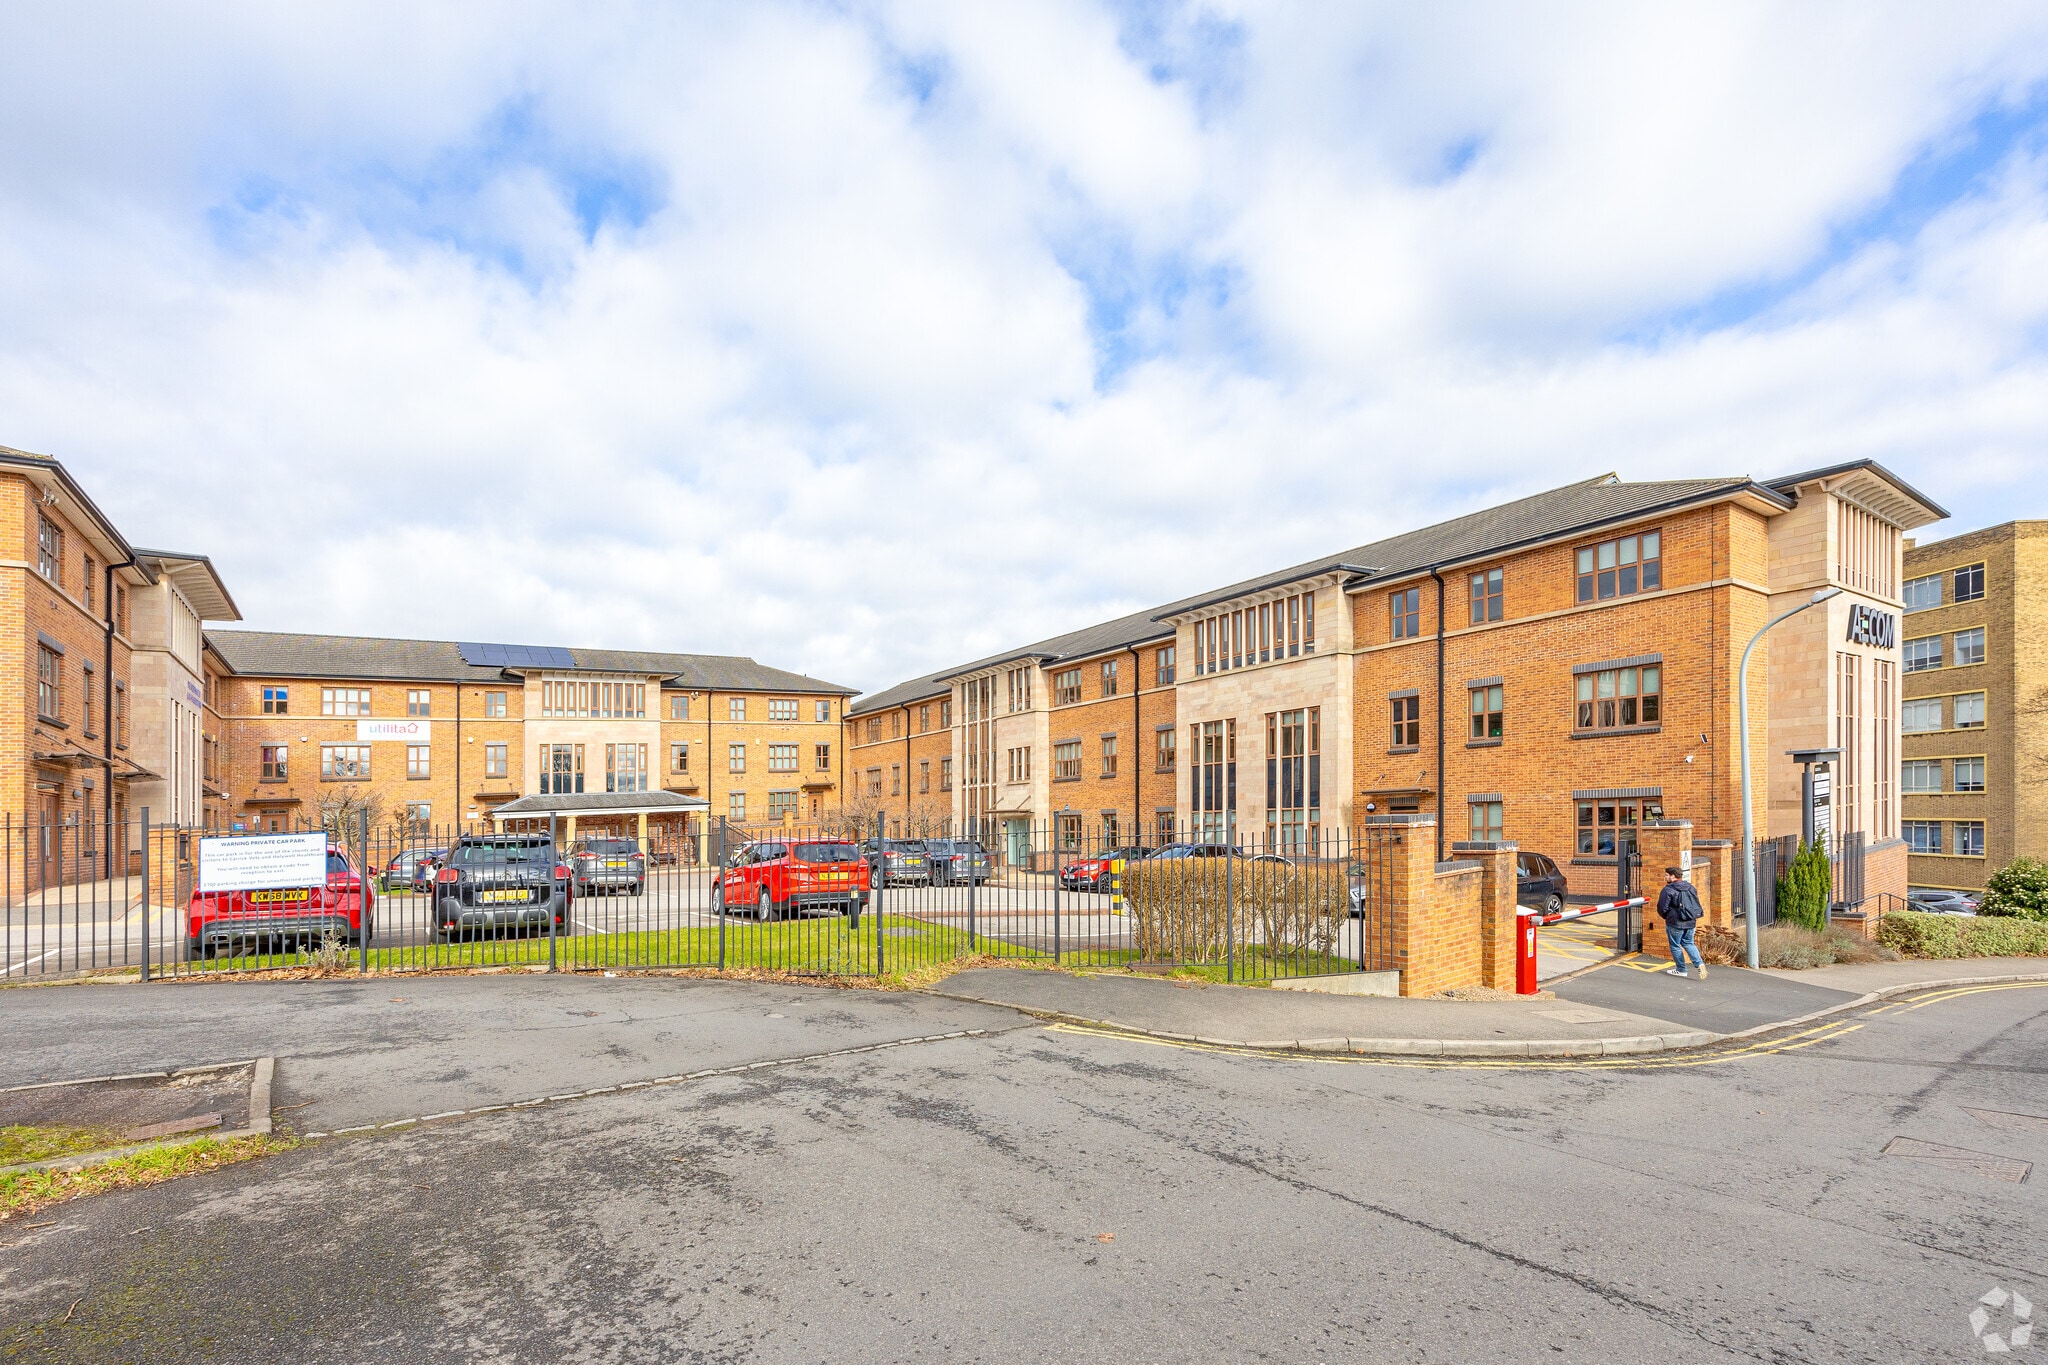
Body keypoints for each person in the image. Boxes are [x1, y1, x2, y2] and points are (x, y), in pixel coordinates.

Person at [1656, 865, 1706, 978]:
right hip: (1690, 921)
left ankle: (1681, 970)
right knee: (1689, 943)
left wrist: (1667, 917)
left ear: (1673, 876)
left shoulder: (1668, 889)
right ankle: (1699, 963)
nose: (1665, 877)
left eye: (1667, 875)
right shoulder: (1691, 887)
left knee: (1675, 946)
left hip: (1675, 922)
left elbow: (1662, 907)